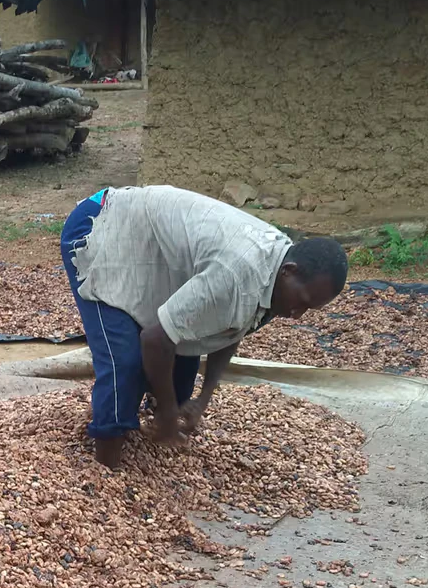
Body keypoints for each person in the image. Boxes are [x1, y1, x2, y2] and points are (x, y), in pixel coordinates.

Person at [59, 185, 349, 468]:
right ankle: (105, 468)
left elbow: (232, 329)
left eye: (309, 309)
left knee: (179, 378)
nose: (297, 314)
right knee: (124, 364)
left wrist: (203, 397)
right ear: (289, 272)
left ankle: (143, 423)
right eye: (303, 302)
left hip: (150, 245)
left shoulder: (277, 283)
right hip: (102, 223)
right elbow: (154, 339)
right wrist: (169, 410)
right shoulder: (236, 277)